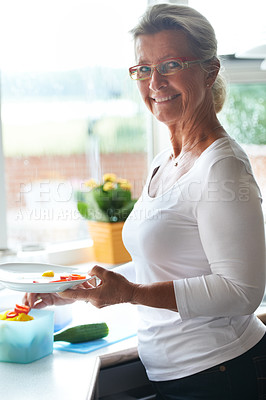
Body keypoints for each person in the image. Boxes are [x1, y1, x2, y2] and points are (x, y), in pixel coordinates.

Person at [24, 4, 266, 399]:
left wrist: (131, 293)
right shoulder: (164, 161)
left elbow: (242, 292)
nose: (156, 82)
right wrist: (74, 289)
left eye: (170, 64)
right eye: (143, 68)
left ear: (210, 70)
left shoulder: (222, 167)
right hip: (174, 372)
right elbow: (159, 263)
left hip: (220, 371)